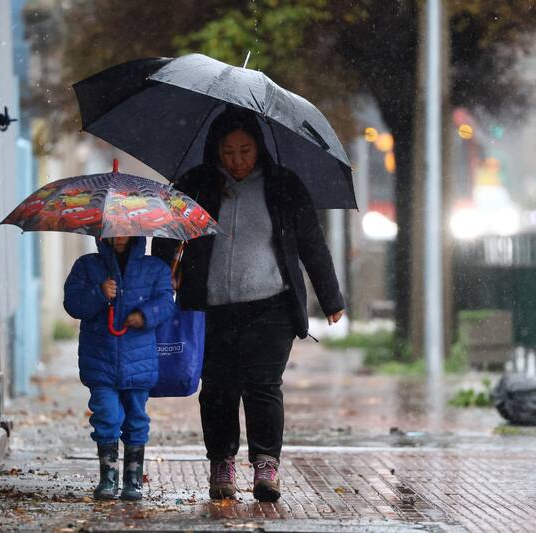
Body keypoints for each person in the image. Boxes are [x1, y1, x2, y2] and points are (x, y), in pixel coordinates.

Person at [153, 107, 344, 502]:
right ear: (215, 150)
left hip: (270, 306)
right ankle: (221, 462)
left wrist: (330, 298)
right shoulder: (195, 185)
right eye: (228, 152)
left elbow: (311, 243)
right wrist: (161, 275)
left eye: (245, 150)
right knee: (219, 390)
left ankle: (265, 464)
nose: (237, 160)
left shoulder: (284, 185)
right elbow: (167, 234)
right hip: (210, 308)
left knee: (263, 387)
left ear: (259, 147)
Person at [64, 235, 175, 501]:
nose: (120, 237)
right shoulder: (86, 266)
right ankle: (108, 477)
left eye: (126, 231)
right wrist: (99, 293)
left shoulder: (155, 268)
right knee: (107, 416)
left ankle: (133, 480)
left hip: (138, 361)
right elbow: (73, 304)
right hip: (99, 359)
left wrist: (145, 315)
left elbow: (166, 303)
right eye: (112, 231)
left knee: (137, 418)